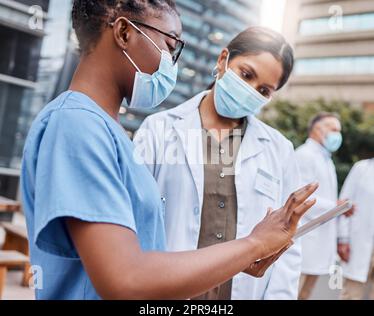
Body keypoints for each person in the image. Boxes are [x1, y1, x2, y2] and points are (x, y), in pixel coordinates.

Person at [20, 0, 317, 300]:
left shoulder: (107, 132)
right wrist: (253, 245)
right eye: (170, 45)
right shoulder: (77, 125)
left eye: (264, 90)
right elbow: (126, 278)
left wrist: (243, 256)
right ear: (124, 32)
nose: (170, 64)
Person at [134, 27, 305, 300]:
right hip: (165, 295)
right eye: (246, 75)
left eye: (263, 90)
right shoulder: (159, 130)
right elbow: (133, 221)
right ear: (223, 60)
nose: (250, 91)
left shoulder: (279, 150)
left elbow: (288, 246)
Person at [296, 113, 353, 300]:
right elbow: (300, 197)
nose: (337, 135)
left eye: (339, 130)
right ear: (317, 129)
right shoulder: (304, 155)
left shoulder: (325, 159)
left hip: (319, 241)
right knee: (293, 293)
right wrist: (336, 206)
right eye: (333, 129)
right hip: (304, 239)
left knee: (305, 295)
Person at [338, 158, 374, 300]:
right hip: (359, 243)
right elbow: (345, 205)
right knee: (351, 294)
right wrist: (343, 238)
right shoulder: (361, 168)